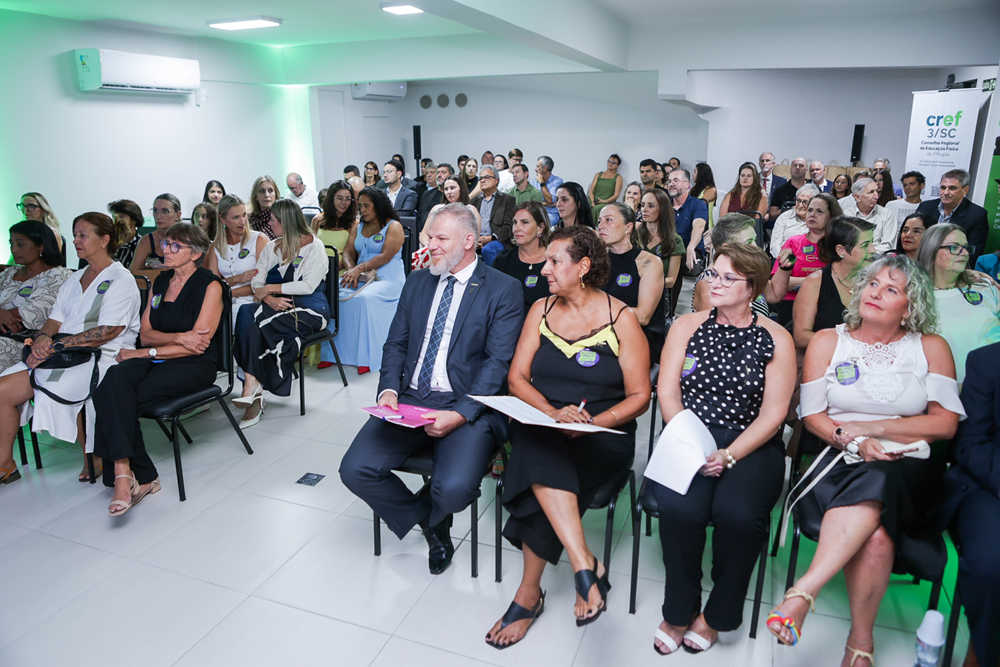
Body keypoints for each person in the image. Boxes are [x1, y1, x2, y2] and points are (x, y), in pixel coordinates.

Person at [769, 255, 964, 667]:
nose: (875, 293)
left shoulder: (931, 347)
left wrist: (874, 427)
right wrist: (854, 440)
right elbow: (812, 415)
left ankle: (803, 592)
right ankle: (861, 645)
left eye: (891, 289)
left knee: (883, 474)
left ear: (910, 307)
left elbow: (945, 424)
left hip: (910, 465)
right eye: (872, 284)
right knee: (876, 537)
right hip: (838, 456)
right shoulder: (828, 341)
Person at [484, 225, 651, 648]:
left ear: (583, 266)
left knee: (535, 462)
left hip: (603, 433)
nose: (544, 269)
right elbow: (517, 379)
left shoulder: (621, 318)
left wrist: (592, 422)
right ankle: (584, 564)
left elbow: (640, 396)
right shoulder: (540, 310)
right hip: (546, 423)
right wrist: (553, 413)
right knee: (539, 442)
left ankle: (529, 597)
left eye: (554, 261)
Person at [339, 203, 523, 575]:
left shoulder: (503, 289)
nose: (430, 245)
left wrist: (459, 414)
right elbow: (396, 343)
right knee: (355, 469)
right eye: (429, 237)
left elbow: (496, 365)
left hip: (466, 403)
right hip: (410, 399)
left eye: (441, 238)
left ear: (468, 241)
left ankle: (438, 508)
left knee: (453, 491)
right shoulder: (418, 281)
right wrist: (388, 390)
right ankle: (429, 520)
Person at [649, 242, 795, 655]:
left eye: (729, 278)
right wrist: (691, 446)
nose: (714, 282)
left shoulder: (776, 337)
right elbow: (668, 393)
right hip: (690, 434)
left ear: (753, 288)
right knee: (679, 509)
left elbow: (774, 414)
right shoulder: (687, 326)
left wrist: (729, 454)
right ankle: (679, 609)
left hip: (752, 441)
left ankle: (718, 615)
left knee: (740, 516)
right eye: (714, 273)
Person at [0, 212, 140, 485]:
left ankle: (93, 457)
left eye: (82, 235)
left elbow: (108, 331)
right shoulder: (74, 279)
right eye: (75, 235)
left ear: (104, 240)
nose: (75, 240)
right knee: (3, 390)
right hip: (62, 351)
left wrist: (56, 345)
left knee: (71, 388)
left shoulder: (121, 279)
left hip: (104, 354)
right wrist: (43, 339)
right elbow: (54, 320)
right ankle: (5, 464)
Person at [92, 223, 222, 516]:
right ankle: (128, 472)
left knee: (120, 398)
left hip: (194, 364)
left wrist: (145, 352)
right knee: (112, 381)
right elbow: (147, 333)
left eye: (175, 246)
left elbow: (196, 346)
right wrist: (178, 338)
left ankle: (132, 476)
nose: (166, 250)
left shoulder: (210, 286)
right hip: (158, 356)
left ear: (195, 254)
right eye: (165, 244)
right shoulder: (161, 282)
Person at [233, 199, 329, 427]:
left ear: (287, 222)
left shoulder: (314, 247)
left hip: (311, 309)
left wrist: (270, 289)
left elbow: (308, 286)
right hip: (277, 305)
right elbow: (257, 279)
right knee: (246, 312)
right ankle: (252, 384)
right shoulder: (273, 247)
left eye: (274, 220)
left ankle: (252, 385)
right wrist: (267, 298)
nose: (270, 223)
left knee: (255, 324)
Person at [937, 342, 1000, 667]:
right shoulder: (987, 361)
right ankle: (983, 654)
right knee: (990, 565)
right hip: (988, 486)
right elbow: (970, 444)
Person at [327, 186, 406, 375]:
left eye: (366, 206)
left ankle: (365, 358)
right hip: (361, 276)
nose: (362, 210)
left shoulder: (394, 226)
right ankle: (333, 354)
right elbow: (348, 252)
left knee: (364, 299)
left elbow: (386, 256)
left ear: (378, 206)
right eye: (360, 206)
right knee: (332, 293)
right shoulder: (359, 226)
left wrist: (359, 268)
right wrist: (350, 269)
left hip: (387, 278)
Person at [917, 223, 1000, 385]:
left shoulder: (985, 286)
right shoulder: (915, 295)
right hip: (945, 387)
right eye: (954, 247)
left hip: (993, 385)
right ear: (931, 250)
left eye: (966, 247)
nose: (964, 253)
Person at [793, 217, 876, 351]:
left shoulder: (874, 282)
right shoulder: (815, 282)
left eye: (872, 243)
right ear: (841, 250)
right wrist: (848, 343)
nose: (873, 250)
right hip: (827, 357)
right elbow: (801, 337)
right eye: (865, 245)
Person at [0, 221, 72, 373]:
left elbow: (30, 315)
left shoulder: (58, 276)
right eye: (11, 243)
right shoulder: (9, 273)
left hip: (26, 343)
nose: (13, 249)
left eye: (20, 244)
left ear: (41, 246)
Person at [598, 203, 666, 361]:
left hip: (638, 339)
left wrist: (594, 312)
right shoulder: (597, 260)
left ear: (628, 227)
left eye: (608, 220)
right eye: (600, 221)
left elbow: (643, 316)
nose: (601, 226)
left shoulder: (649, 263)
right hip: (601, 335)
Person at [693, 214, 791, 318]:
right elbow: (712, 325)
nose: (756, 247)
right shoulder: (708, 283)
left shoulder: (750, 269)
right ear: (727, 249)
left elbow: (774, 295)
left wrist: (785, 266)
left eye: (755, 240)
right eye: (749, 242)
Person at [771, 193, 844, 325]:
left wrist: (799, 282)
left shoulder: (838, 246)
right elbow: (778, 283)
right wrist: (812, 282)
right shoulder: (793, 243)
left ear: (831, 217)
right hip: (792, 302)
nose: (812, 214)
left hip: (827, 303)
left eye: (819, 211)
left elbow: (840, 281)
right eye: (810, 210)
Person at [205, 194, 268, 328]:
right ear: (222, 220)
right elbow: (212, 285)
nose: (242, 221)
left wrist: (228, 292)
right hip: (223, 304)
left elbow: (263, 284)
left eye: (244, 215)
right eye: (236, 217)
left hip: (253, 303)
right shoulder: (215, 246)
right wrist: (236, 279)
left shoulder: (259, 239)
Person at [916, 169, 989, 266]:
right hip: (921, 263)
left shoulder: (977, 215)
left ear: (965, 190)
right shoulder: (925, 207)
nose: (946, 192)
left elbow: (973, 253)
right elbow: (916, 238)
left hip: (952, 267)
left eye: (952, 188)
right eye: (943, 187)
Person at [493, 201, 552, 314]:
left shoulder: (554, 262)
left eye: (524, 222)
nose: (517, 228)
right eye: (515, 223)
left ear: (540, 228)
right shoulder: (502, 260)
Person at [667, 167, 710, 312]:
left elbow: (699, 226)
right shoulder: (665, 205)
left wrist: (691, 247)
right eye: (669, 181)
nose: (671, 184)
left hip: (690, 249)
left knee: (676, 260)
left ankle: (670, 312)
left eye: (676, 180)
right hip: (668, 249)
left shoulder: (698, 204)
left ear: (687, 184)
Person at [639, 189, 684, 302]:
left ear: (662, 209)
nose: (644, 209)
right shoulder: (635, 235)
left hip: (659, 296)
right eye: (642, 205)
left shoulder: (674, 240)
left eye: (651, 206)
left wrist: (645, 283)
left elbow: (671, 280)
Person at [470, 165, 516, 267]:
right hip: (477, 240)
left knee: (488, 249)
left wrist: (492, 238)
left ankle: (493, 276)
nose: (482, 180)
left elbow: (509, 226)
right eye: (481, 178)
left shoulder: (508, 200)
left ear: (496, 180)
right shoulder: (473, 202)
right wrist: (475, 240)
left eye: (487, 177)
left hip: (498, 241)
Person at [420, 175, 481, 246]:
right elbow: (423, 234)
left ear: (461, 189)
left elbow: (474, 239)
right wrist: (428, 245)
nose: (449, 192)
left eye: (452, 188)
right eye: (446, 189)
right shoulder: (437, 209)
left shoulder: (471, 210)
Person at [840, 178, 896, 255]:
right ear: (857, 197)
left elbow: (888, 246)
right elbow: (843, 244)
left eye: (877, 191)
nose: (876, 196)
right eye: (871, 192)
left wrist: (865, 253)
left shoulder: (887, 215)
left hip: (878, 259)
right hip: (852, 258)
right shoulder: (846, 216)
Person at [131, 194, 182, 271]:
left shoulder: (189, 238)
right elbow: (133, 272)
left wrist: (170, 269)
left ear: (177, 215)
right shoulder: (147, 240)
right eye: (155, 210)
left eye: (165, 211)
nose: (158, 216)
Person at [770, 185, 821, 257]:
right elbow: (774, 246)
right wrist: (787, 259)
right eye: (798, 200)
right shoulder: (784, 217)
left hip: (811, 259)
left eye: (805, 202)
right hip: (785, 259)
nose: (800, 205)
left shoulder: (819, 220)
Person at [311, 180, 355, 258]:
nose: (343, 202)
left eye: (348, 199)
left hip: (341, 263)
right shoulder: (317, 220)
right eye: (340, 198)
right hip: (318, 262)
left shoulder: (354, 223)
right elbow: (311, 248)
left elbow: (351, 254)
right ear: (331, 198)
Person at [768, 157, 808, 222]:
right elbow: (772, 215)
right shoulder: (780, 190)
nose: (797, 168)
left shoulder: (813, 189)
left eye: (801, 166)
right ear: (790, 169)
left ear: (807, 170)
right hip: (786, 225)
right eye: (795, 165)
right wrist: (785, 210)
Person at [106, 199, 143, 268]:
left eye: (121, 217)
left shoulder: (142, 244)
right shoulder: (108, 241)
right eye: (114, 217)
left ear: (134, 220)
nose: (116, 221)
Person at [417, 163, 452, 231]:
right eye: (438, 172)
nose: (439, 175)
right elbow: (420, 215)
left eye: (443, 172)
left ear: (450, 175)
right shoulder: (427, 194)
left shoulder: (452, 195)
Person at [587, 154, 623, 218]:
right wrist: (592, 201)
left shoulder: (618, 177)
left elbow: (616, 195)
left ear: (617, 166)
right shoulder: (598, 175)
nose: (610, 164)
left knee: (596, 209)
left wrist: (605, 201)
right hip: (594, 200)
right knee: (582, 205)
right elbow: (591, 191)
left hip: (607, 202)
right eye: (609, 161)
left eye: (613, 163)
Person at [532, 155, 564, 226]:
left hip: (551, 214)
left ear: (544, 169)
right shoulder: (534, 181)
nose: (535, 169)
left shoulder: (557, 181)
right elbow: (531, 201)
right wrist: (546, 204)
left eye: (537, 166)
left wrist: (542, 183)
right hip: (535, 212)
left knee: (543, 225)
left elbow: (550, 200)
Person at [247, 175, 281, 241]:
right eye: (262, 191)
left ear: (275, 195)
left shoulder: (282, 217)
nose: (267, 195)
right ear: (256, 196)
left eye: (270, 191)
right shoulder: (249, 220)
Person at [691, 162, 717, 227]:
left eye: (695, 172)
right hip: (693, 222)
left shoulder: (711, 190)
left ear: (701, 174)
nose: (692, 175)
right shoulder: (694, 189)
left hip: (705, 225)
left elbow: (700, 204)